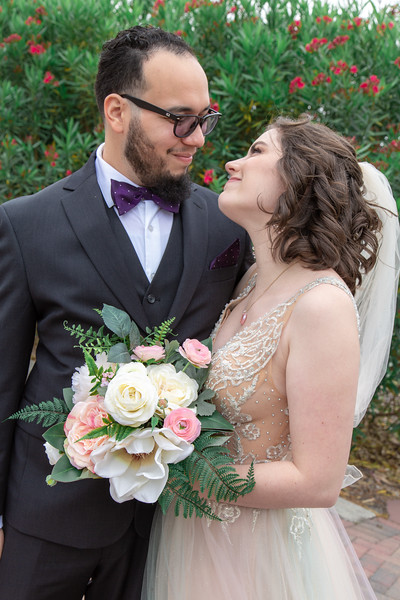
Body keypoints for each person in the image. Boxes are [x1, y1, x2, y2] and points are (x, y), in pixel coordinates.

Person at [0, 26, 252, 600]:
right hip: (45, 519)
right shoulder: (25, 225)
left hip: (170, 528)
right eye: (180, 119)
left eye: (205, 120)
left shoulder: (229, 227)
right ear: (117, 110)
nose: (198, 140)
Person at [141, 115, 400, 600]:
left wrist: (172, 468)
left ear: (299, 178)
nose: (232, 162)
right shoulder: (251, 278)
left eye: (256, 151)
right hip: (192, 534)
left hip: (257, 553)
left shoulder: (321, 304)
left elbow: (318, 481)